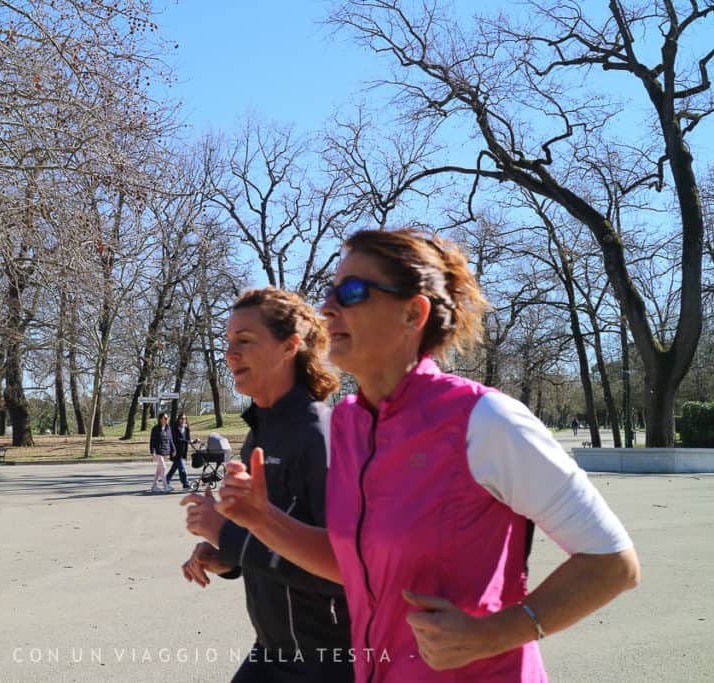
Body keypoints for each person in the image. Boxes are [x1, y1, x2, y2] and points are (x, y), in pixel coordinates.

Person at [215, 229, 640, 682]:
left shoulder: (484, 419)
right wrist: (262, 521)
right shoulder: (349, 425)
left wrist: (493, 634)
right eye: (330, 291)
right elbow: (353, 565)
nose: (328, 308)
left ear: (412, 314)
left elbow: (612, 561)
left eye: (353, 291)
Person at [180, 287, 353, 682]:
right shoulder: (260, 432)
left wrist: (227, 534)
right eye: (228, 342)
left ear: (290, 346)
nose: (230, 354)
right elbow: (273, 537)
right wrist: (226, 557)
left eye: (244, 341)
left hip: (328, 663)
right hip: (273, 652)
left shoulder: (321, 437)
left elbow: (345, 572)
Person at [149, 412, 175, 492]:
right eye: (165, 418)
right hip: (157, 450)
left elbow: (171, 440)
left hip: (165, 450)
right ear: (161, 419)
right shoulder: (155, 428)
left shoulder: (168, 428)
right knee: (163, 467)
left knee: (159, 470)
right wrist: (152, 451)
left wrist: (173, 449)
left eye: (167, 418)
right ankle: (166, 486)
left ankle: (153, 486)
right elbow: (152, 441)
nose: (167, 419)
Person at [166, 413, 192, 491]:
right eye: (181, 418)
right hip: (175, 451)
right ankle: (185, 484)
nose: (183, 420)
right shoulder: (174, 429)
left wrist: (194, 441)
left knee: (174, 468)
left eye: (184, 418)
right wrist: (188, 441)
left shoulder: (187, 429)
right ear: (178, 419)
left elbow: (189, 439)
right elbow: (176, 440)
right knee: (182, 468)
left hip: (183, 451)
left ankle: (166, 479)